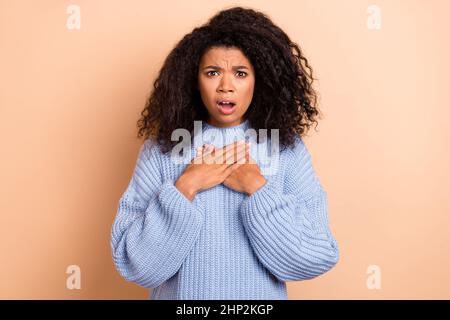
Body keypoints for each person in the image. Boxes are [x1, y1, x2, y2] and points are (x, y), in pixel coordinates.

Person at [110, 6, 339, 300]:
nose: (226, 86)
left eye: (240, 73)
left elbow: (315, 256)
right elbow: (137, 266)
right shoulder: (161, 151)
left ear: (260, 80)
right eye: (212, 72)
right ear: (194, 80)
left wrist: (257, 187)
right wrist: (186, 186)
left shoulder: (286, 150)